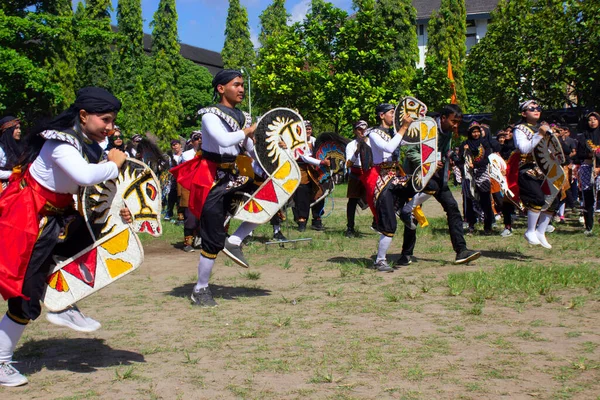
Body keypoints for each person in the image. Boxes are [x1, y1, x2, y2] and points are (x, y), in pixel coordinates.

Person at [0, 87, 129, 387]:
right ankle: (1, 361)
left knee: (91, 238)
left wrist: (121, 208)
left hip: (55, 219)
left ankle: (63, 303)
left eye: (112, 121)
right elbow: (85, 177)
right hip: (30, 221)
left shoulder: (87, 143)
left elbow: (93, 192)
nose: (110, 127)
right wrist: (114, 165)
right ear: (83, 116)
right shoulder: (61, 141)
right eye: (105, 120)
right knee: (24, 298)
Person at [171, 69, 258, 307]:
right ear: (221, 89)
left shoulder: (243, 117)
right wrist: (246, 132)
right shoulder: (210, 115)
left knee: (268, 200)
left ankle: (236, 240)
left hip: (237, 173)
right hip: (212, 178)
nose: (241, 89)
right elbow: (223, 140)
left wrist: (268, 147)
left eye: (242, 85)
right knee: (212, 237)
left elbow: (248, 147)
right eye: (236, 84)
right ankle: (200, 289)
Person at [400, 104, 480, 265]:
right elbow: (410, 152)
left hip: (436, 177)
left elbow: (444, 151)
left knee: (452, 208)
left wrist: (451, 157)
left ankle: (461, 251)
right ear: (443, 118)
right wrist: (428, 163)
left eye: (458, 122)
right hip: (417, 176)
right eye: (453, 121)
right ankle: (406, 254)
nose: (456, 125)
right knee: (413, 214)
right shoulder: (426, 126)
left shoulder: (448, 132)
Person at [362, 103, 413, 272]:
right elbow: (389, 147)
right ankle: (380, 260)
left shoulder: (394, 132)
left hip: (396, 176)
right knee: (389, 224)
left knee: (423, 184)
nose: (395, 116)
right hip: (382, 179)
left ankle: (407, 212)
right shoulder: (374, 133)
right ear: (381, 115)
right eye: (392, 113)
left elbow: (410, 141)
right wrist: (404, 128)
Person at [512, 100, 555, 248]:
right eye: (532, 108)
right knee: (537, 198)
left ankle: (541, 231)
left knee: (554, 198)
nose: (536, 110)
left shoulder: (542, 128)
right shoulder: (520, 129)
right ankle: (530, 230)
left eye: (538, 108)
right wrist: (539, 135)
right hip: (527, 168)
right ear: (524, 113)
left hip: (545, 168)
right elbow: (524, 148)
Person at [293, 121, 330, 231]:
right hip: (301, 170)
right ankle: (302, 220)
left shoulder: (315, 141)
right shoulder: (297, 142)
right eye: (305, 129)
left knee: (319, 193)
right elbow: (304, 157)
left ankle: (317, 219)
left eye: (309, 129)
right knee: (302, 193)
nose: (308, 131)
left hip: (316, 171)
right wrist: (321, 162)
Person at [460, 122, 494, 235]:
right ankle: (471, 225)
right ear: (470, 133)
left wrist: (475, 165)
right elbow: (459, 160)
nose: (476, 134)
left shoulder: (485, 143)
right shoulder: (465, 144)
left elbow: (488, 159)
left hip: (482, 174)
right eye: (473, 132)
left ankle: (488, 226)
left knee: (485, 201)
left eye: (477, 131)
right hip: (469, 176)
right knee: (469, 201)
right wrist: (464, 155)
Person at [574, 112, 600, 235]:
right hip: (587, 166)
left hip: (599, 168)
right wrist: (590, 155)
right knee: (587, 195)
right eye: (590, 119)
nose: (592, 121)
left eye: (595, 119)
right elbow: (579, 154)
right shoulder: (583, 136)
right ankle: (588, 226)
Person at [344, 120, 370, 237]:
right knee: (352, 201)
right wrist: (357, 151)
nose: (362, 132)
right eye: (359, 129)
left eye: (364, 129)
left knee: (376, 198)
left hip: (369, 173)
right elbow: (349, 163)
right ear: (355, 131)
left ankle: (379, 224)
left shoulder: (372, 142)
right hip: (355, 174)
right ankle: (350, 227)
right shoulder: (351, 145)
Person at [180, 132, 202, 252]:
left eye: (201, 138)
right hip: (190, 189)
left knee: (204, 216)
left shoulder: (209, 154)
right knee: (191, 217)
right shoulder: (187, 155)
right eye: (196, 139)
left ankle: (200, 239)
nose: (199, 140)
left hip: (204, 189)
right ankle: (187, 243)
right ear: (192, 141)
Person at [0, 116, 24, 191]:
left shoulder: (19, 146)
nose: (19, 131)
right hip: (3, 184)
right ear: (8, 131)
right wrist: (12, 173)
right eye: (16, 128)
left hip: (17, 181)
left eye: (19, 128)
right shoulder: (1, 149)